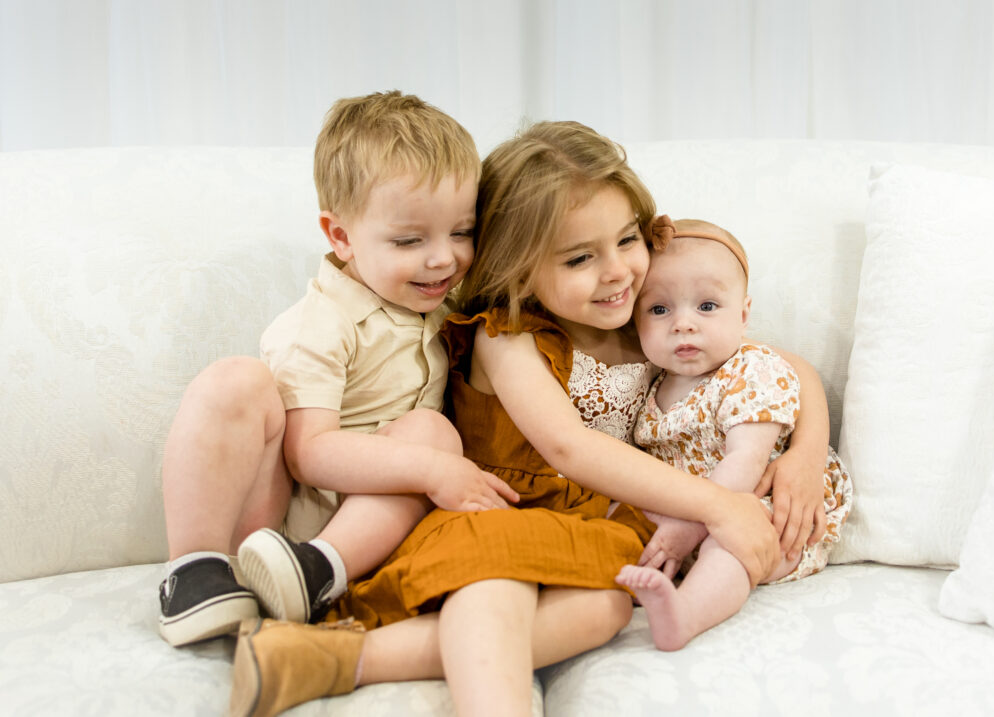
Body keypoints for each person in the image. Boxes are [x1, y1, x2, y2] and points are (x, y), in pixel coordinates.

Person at [228, 121, 833, 717]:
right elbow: (569, 449)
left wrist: (806, 453)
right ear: (520, 270)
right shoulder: (507, 337)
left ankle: (322, 659)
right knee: (497, 584)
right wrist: (717, 503)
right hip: (495, 505)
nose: (617, 270)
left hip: (589, 523)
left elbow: (781, 365)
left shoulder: (640, 315)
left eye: (627, 240)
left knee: (607, 610)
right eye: (579, 258)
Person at [158, 91, 518, 647]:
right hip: (275, 524)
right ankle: (196, 570)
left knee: (429, 432)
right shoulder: (324, 321)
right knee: (235, 381)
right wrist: (431, 472)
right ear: (341, 237)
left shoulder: (438, 302)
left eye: (461, 232)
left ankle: (318, 572)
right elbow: (309, 453)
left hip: (365, 533)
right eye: (409, 240)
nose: (444, 258)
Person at [615, 218, 853, 651]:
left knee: (730, 543)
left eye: (706, 306)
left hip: (764, 509)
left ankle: (685, 616)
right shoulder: (650, 384)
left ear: (743, 314)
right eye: (660, 309)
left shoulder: (751, 369)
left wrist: (691, 525)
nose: (683, 323)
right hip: (689, 509)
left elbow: (746, 461)